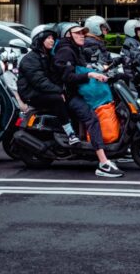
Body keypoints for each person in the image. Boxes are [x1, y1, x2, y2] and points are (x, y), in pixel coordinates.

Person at [54, 22, 123, 178]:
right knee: (92, 119)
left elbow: (82, 67)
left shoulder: (75, 49)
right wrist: (89, 75)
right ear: (68, 35)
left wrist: (96, 70)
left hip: (80, 91)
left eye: (83, 33)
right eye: (77, 33)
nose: (81, 35)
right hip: (71, 95)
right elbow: (66, 77)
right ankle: (103, 164)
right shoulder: (65, 51)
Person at [17, 24, 80, 145]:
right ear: (40, 40)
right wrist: (59, 91)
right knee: (57, 99)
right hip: (31, 93)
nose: (52, 40)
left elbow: (55, 76)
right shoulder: (30, 59)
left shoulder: (48, 56)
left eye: (53, 38)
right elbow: (39, 81)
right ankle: (70, 133)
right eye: (49, 38)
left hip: (42, 90)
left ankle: (75, 129)